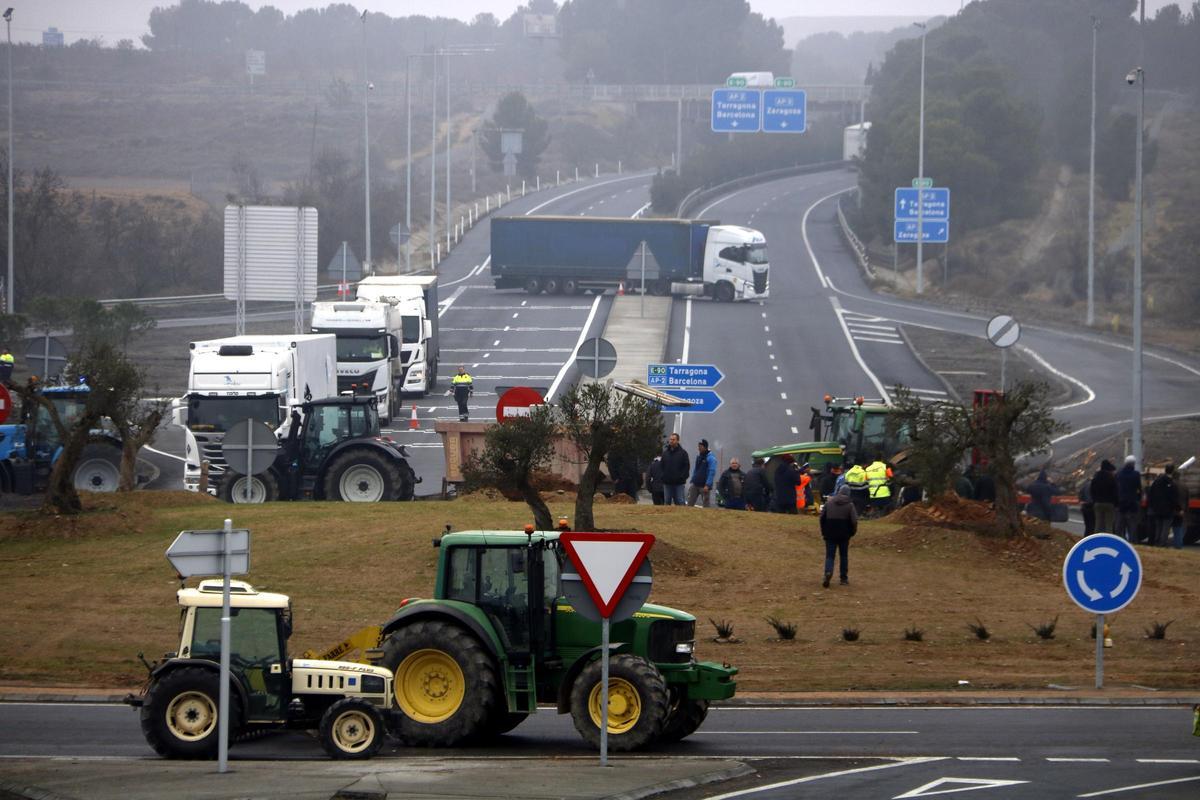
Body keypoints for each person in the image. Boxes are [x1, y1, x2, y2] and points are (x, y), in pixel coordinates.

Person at [819, 484, 858, 587]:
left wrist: (824, 531)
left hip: (830, 532)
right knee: (843, 556)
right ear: (848, 493)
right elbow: (854, 521)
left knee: (830, 556)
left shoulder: (829, 502)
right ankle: (843, 578)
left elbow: (822, 518)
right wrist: (852, 532)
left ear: (839, 491)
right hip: (844, 533)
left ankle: (828, 572)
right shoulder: (850, 505)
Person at [1147, 465, 1180, 547]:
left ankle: (1157, 542)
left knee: (1158, 527)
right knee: (1165, 528)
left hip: (1157, 509)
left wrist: (1153, 506)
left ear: (1165, 470)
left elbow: (1150, 494)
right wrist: (1178, 508)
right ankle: (1162, 543)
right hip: (1168, 510)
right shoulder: (1172, 483)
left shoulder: (1156, 481)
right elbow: (1174, 498)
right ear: (1172, 471)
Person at [1115, 455, 1143, 543]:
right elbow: (1139, 489)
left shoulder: (1118, 474)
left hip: (1121, 504)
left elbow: (1116, 488)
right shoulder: (1136, 474)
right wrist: (1138, 498)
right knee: (1132, 526)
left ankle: (1119, 542)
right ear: (1133, 464)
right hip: (1132, 504)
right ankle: (1132, 543)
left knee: (1119, 526)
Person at [660, 433, 690, 506]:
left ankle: (681, 516)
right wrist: (663, 476)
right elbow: (661, 466)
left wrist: (682, 477)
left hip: (679, 483)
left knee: (680, 501)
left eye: (673, 439)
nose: (671, 441)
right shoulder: (665, 453)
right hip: (667, 483)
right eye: (670, 439)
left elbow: (686, 467)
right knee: (667, 501)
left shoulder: (683, 453)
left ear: (678, 441)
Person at [1089, 459, 1119, 534]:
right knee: (1109, 525)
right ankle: (1108, 542)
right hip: (1109, 503)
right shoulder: (1111, 478)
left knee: (1098, 523)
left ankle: (1096, 541)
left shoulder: (1095, 478)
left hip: (1098, 503)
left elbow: (1092, 491)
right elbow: (1115, 491)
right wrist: (1115, 503)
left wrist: (1094, 501)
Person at [687, 439, 717, 507]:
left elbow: (712, 472)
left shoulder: (711, 458)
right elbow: (696, 469)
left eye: (700, 446)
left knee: (706, 505)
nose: (699, 448)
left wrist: (707, 485)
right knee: (690, 503)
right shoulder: (699, 457)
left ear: (705, 447)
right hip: (695, 484)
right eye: (698, 446)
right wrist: (692, 479)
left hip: (704, 486)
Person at [1172, 477, 1190, 550]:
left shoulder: (1172, 485)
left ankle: (1175, 544)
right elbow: (1187, 498)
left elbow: (1173, 498)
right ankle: (1179, 544)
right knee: (1179, 528)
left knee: (1168, 528)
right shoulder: (1184, 486)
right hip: (1182, 510)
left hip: (1173, 509)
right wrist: (1185, 510)